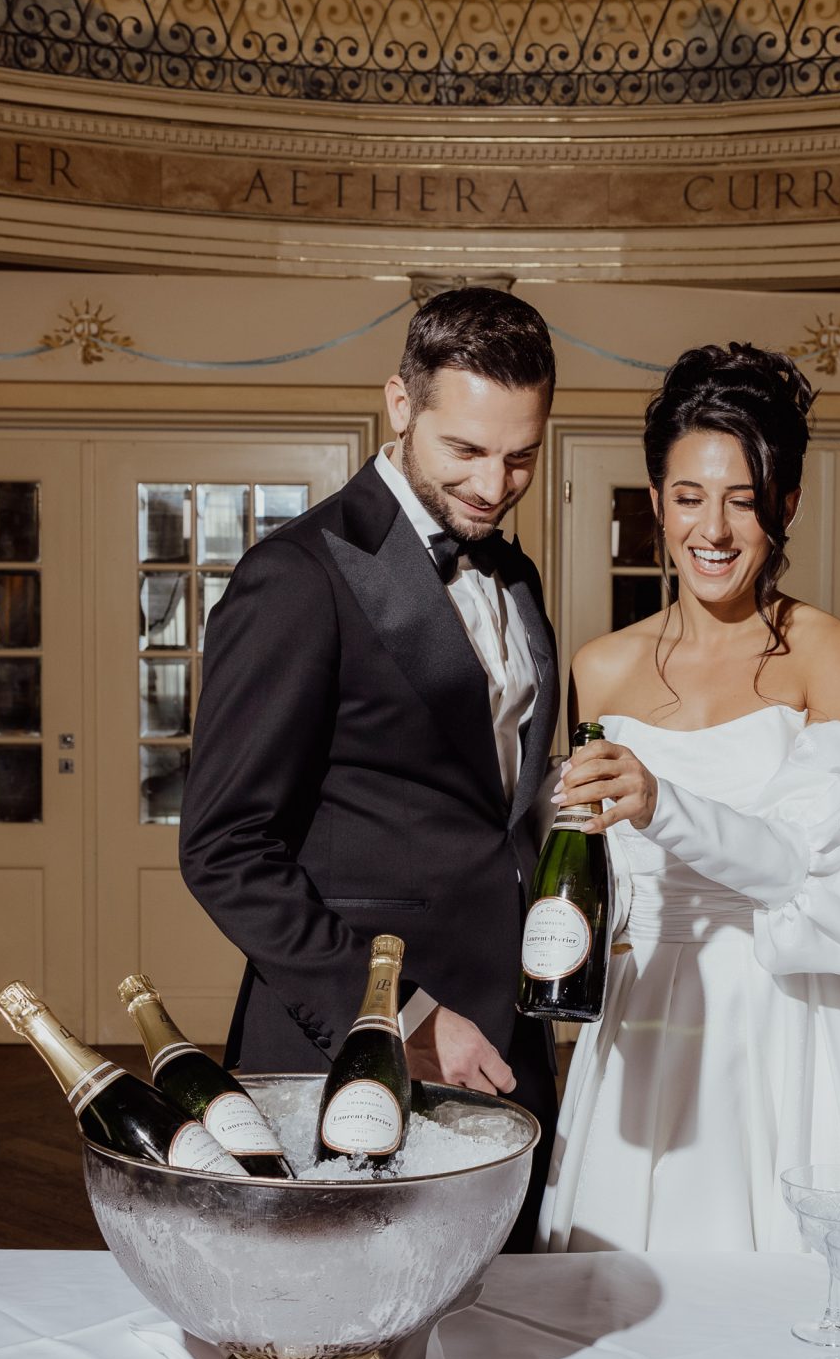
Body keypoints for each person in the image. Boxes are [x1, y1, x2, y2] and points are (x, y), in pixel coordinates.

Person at [182, 287, 561, 1251]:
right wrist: (406, 1017)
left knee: (500, 1340)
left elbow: (475, 800)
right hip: (352, 1052)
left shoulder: (513, 576)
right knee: (341, 1335)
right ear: (399, 404)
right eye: (466, 452)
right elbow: (224, 848)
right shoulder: (298, 575)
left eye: (522, 454)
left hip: (506, 1041)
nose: (494, 483)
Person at [537, 343, 840, 1253]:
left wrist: (661, 802)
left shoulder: (833, 656)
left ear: (784, 505)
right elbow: (601, 880)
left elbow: (823, 880)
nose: (712, 528)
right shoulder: (600, 667)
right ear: (655, 503)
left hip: (802, 1016)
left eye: (743, 498)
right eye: (688, 496)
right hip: (650, 1019)